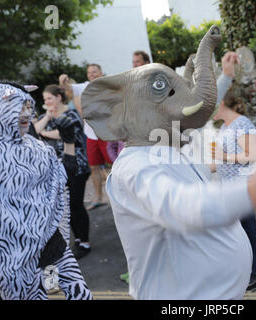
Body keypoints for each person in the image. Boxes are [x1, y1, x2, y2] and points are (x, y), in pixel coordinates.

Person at [80, 25, 256, 299]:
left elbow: (200, 107)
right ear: (131, 112)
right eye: (165, 92)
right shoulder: (134, 167)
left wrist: (224, 75)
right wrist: (250, 191)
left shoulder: (169, 150)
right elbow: (181, 206)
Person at [0, 82, 92, 299]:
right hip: (14, 248)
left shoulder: (36, 147)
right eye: (18, 107)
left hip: (49, 240)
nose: (26, 113)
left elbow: (64, 176)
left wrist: (69, 142)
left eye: (28, 106)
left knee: (81, 294)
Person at [210, 52, 256, 291]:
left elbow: (252, 156)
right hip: (229, 189)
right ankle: (251, 273)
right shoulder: (225, 127)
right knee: (239, 233)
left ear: (222, 102)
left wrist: (222, 157)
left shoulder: (243, 124)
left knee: (247, 231)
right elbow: (222, 162)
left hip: (242, 188)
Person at [34, 85, 92, 259]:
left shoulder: (71, 113)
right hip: (59, 169)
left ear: (59, 97)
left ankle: (85, 241)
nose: (47, 102)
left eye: (49, 98)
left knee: (75, 203)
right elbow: (34, 131)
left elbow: (67, 134)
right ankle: (78, 238)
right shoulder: (47, 116)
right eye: (45, 100)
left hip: (78, 166)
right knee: (66, 205)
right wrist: (47, 119)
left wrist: (45, 133)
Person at [116, 50, 151, 285]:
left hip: (146, 161)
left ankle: (144, 272)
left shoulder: (153, 86)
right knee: (134, 226)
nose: (134, 65)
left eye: (138, 62)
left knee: (146, 225)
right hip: (130, 158)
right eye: (133, 63)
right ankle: (137, 270)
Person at [59, 64, 111, 211]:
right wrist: (63, 81)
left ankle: (125, 195)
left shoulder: (108, 86)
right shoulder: (84, 87)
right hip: (91, 134)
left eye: (94, 71)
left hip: (108, 132)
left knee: (115, 165)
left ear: (101, 72)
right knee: (94, 167)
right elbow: (69, 88)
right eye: (89, 72)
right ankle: (99, 198)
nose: (91, 74)